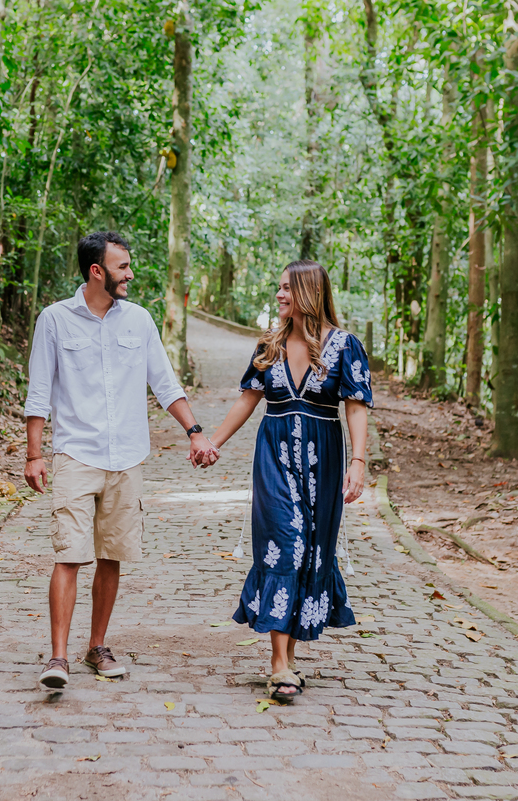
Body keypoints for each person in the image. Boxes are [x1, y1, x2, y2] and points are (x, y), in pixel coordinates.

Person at [24, 231, 216, 689]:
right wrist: (34, 454)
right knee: (69, 554)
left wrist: (195, 432)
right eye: (123, 266)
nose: (130, 274)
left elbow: (165, 384)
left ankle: (97, 647)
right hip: (75, 453)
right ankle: (57, 658)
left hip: (127, 456)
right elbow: (39, 392)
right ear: (97, 271)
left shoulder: (139, 321)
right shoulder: (54, 320)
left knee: (111, 556)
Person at [202, 259, 371, 702]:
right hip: (274, 458)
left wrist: (359, 462)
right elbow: (248, 400)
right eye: (277, 288)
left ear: (309, 293)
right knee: (285, 543)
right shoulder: (268, 346)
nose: (279, 295)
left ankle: (288, 658)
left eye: (286, 289)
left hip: (324, 462)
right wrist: (212, 443)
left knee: (311, 551)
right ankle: (279, 664)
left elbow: (355, 406)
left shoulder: (344, 345)